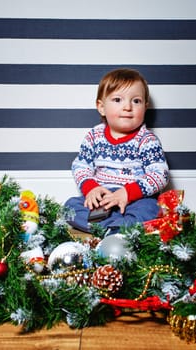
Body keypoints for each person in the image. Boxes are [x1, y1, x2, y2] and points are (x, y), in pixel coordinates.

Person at [65, 68, 169, 234]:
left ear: (145, 106)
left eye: (136, 101)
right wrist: (91, 188)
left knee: (151, 208)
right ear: (101, 107)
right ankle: (116, 228)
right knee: (70, 207)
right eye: (118, 99)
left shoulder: (146, 140)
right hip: (103, 197)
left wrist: (128, 193)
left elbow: (159, 175)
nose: (128, 107)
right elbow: (80, 166)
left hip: (135, 198)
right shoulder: (94, 136)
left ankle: (113, 228)